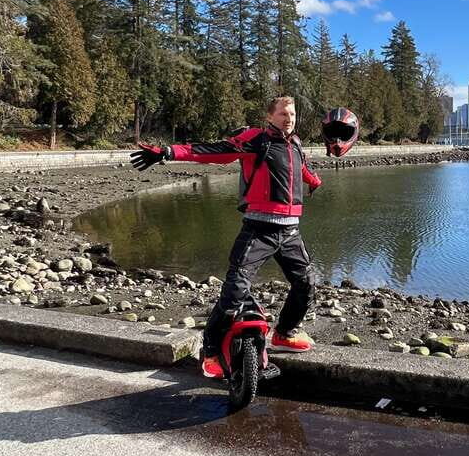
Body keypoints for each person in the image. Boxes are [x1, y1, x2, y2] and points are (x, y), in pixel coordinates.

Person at [130, 96, 325, 379]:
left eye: (292, 114)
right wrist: (168, 152)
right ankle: (210, 352)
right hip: (259, 228)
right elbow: (215, 150)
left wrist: (314, 181)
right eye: (283, 113)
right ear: (270, 116)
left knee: (305, 283)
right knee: (234, 291)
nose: (289, 118)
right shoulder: (256, 139)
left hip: (291, 230)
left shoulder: (295, 144)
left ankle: (284, 333)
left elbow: (302, 168)